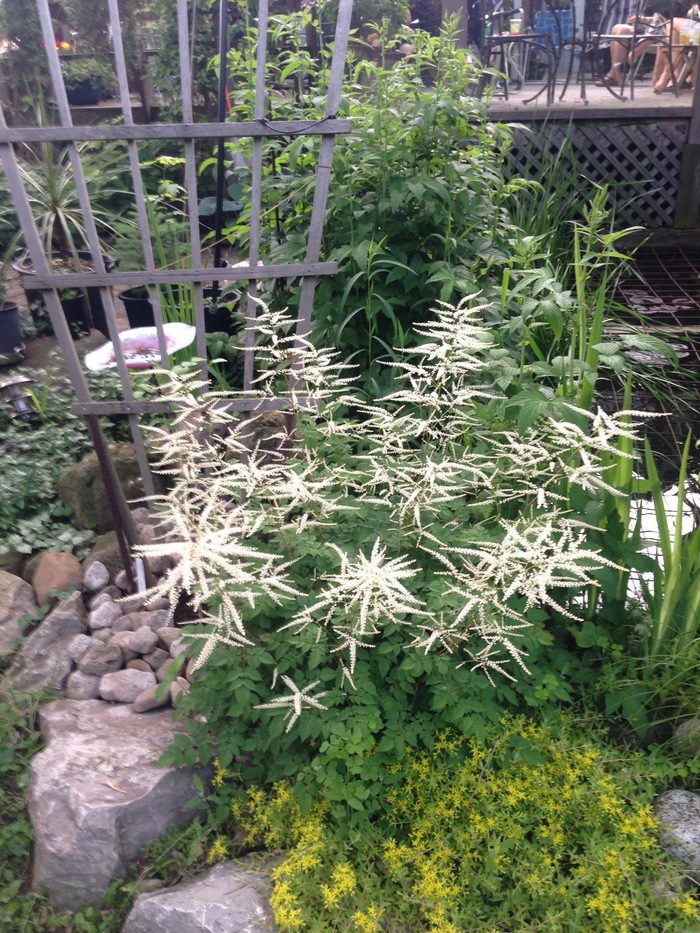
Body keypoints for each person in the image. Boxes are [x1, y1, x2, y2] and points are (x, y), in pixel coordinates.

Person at [596, 5, 699, 90]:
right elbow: (655, 17)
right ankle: (617, 71)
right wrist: (643, 19)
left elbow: (674, 19)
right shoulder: (657, 3)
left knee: (662, 32)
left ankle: (624, 65)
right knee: (618, 28)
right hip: (656, 26)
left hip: (667, 29)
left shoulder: (680, 3)